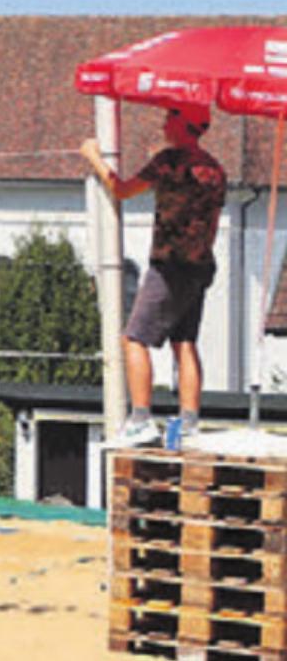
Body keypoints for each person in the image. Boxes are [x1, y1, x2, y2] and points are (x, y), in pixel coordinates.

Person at [81, 106, 227, 445]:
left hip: (170, 264)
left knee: (134, 339)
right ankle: (189, 421)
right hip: (201, 264)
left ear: (183, 124)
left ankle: (140, 418)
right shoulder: (215, 170)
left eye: (169, 117)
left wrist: (94, 157)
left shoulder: (167, 163)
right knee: (184, 341)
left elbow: (121, 189)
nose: (163, 123)